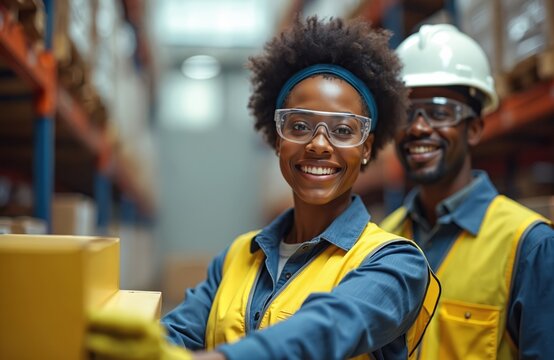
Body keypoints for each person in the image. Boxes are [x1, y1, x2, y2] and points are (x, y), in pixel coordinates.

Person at [87, 16, 440, 360]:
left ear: (366, 148)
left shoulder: (397, 263)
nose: (319, 144)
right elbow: (179, 332)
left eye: (344, 130)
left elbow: (325, 330)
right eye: (300, 125)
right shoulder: (237, 256)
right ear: (277, 139)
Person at [380, 24, 554, 359]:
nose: (418, 127)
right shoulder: (383, 239)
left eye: (439, 111)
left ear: (474, 128)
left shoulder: (529, 246)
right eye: (406, 113)